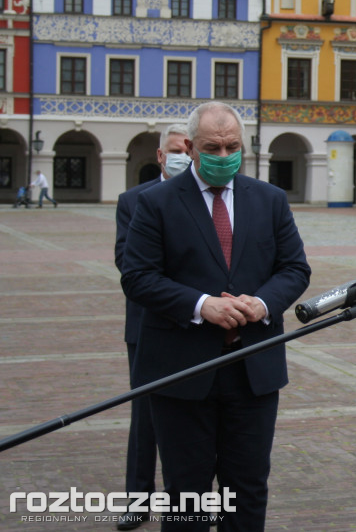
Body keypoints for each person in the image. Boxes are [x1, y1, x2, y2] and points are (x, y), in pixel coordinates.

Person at [121, 102, 311, 532]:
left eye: (232, 147)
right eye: (213, 147)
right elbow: (137, 277)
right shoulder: (155, 203)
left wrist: (262, 304)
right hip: (182, 371)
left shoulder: (269, 199)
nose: (223, 156)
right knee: (187, 493)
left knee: (248, 487)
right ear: (190, 147)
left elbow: (294, 269)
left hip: (253, 370)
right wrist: (200, 304)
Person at [113, 124, 190, 531]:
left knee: (199, 419)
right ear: (161, 156)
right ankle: (137, 500)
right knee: (145, 417)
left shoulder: (205, 198)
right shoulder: (133, 200)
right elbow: (128, 263)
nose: (183, 156)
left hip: (200, 324)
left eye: (187, 150)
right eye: (176, 150)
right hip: (147, 324)